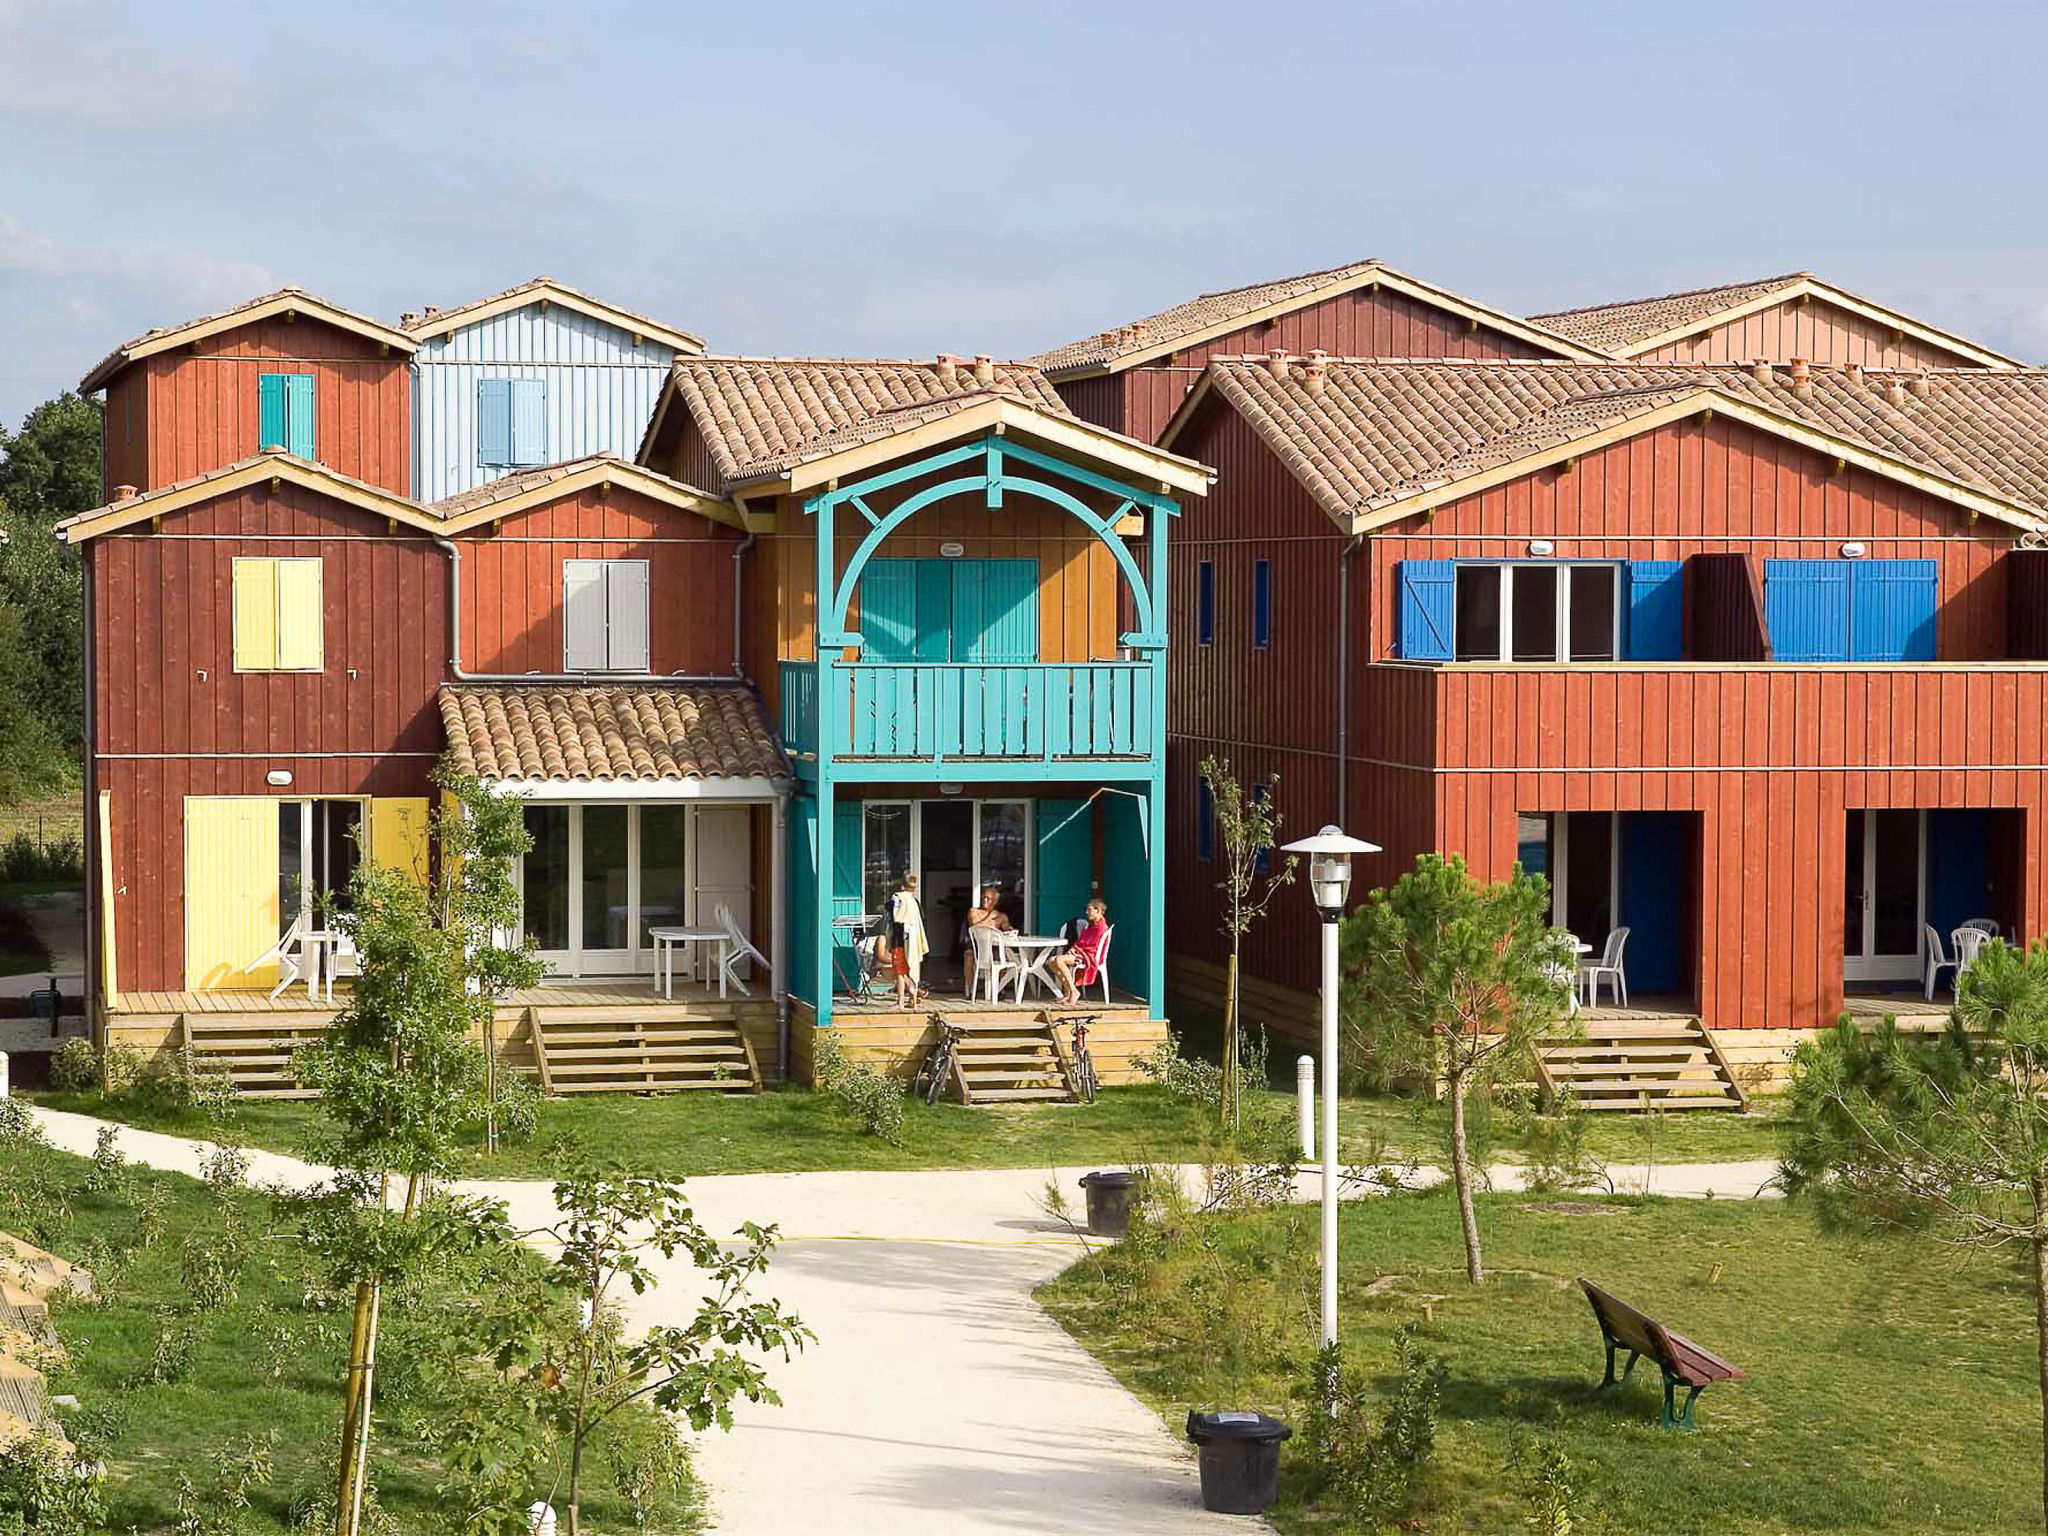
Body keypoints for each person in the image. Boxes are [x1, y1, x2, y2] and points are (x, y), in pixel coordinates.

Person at [1048, 898, 1110, 1005]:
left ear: (1098, 910)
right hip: (1080, 952)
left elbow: (1092, 947)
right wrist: (1074, 949)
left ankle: (1074, 991)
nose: (1087, 912)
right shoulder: (1091, 925)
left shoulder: (1101, 928)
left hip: (1088, 956)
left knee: (1059, 960)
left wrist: (1077, 951)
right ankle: (1068, 992)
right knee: (1051, 961)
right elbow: (1082, 941)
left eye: (1089, 910)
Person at [963, 883, 1015, 998]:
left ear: (995, 902)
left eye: (988, 898)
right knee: (968, 955)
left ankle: (999, 989)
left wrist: (1010, 929)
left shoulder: (1002, 916)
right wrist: (992, 918)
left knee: (1002, 955)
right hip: (977, 946)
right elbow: (975, 926)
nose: (985, 900)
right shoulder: (974, 911)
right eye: (984, 897)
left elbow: (1007, 930)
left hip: (993, 946)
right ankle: (970, 990)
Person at [887, 872, 929, 1007]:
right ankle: (913, 999)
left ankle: (900, 1002)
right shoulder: (915, 902)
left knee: (900, 971)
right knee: (913, 969)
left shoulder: (897, 898)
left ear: (902, 886)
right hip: (913, 940)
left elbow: (892, 913)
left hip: (899, 940)